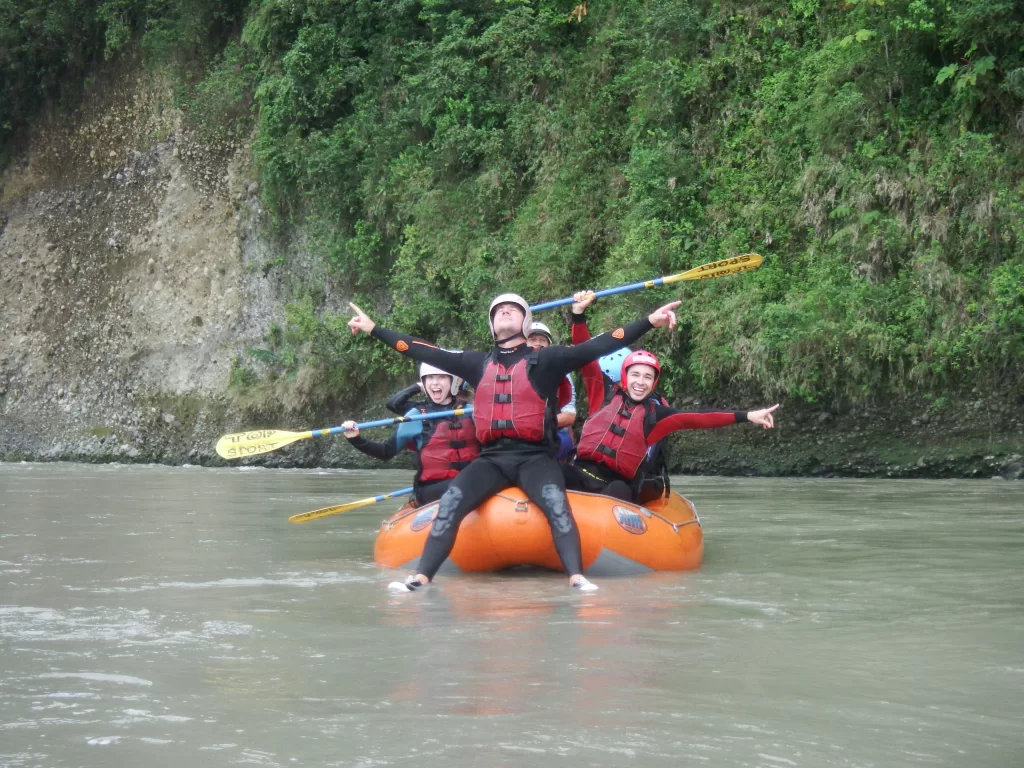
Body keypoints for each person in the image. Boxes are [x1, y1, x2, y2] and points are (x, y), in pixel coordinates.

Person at [347, 292, 682, 592]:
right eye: (499, 310)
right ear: (492, 325)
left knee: (556, 504)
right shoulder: (476, 363)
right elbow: (418, 348)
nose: (505, 311)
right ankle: (421, 578)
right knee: (450, 504)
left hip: (535, 457)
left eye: (513, 308)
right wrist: (375, 328)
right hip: (491, 459)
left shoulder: (547, 361)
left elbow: (601, 344)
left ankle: (576, 577)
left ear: (526, 322)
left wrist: (649, 322)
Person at [565, 290, 779, 503]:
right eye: (635, 375)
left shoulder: (656, 415)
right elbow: (584, 351)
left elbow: (699, 418)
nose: (641, 382)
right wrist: (578, 314)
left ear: (654, 382)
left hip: (616, 484)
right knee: (557, 474)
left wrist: (747, 415)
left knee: (618, 492)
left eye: (648, 377)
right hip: (582, 472)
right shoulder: (602, 392)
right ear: (624, 376)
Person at [341, 363, 477, 507]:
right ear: (424, 383)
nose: (435, 382)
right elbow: (386, 452)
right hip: (433, 488)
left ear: (454, 382)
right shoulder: (416, 415)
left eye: (441, 377)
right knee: (464, 485)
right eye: (430, 378)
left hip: (471, 481)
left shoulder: (472, 411)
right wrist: (355, 438)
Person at [525, 321, 577, 461]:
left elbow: (569, 416)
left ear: (549, 346)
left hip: (554, 432)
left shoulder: (561, 373)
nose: (538, 344)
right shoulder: (512, 371)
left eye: (543, 340)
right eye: (533, 339)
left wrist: (539, 424)